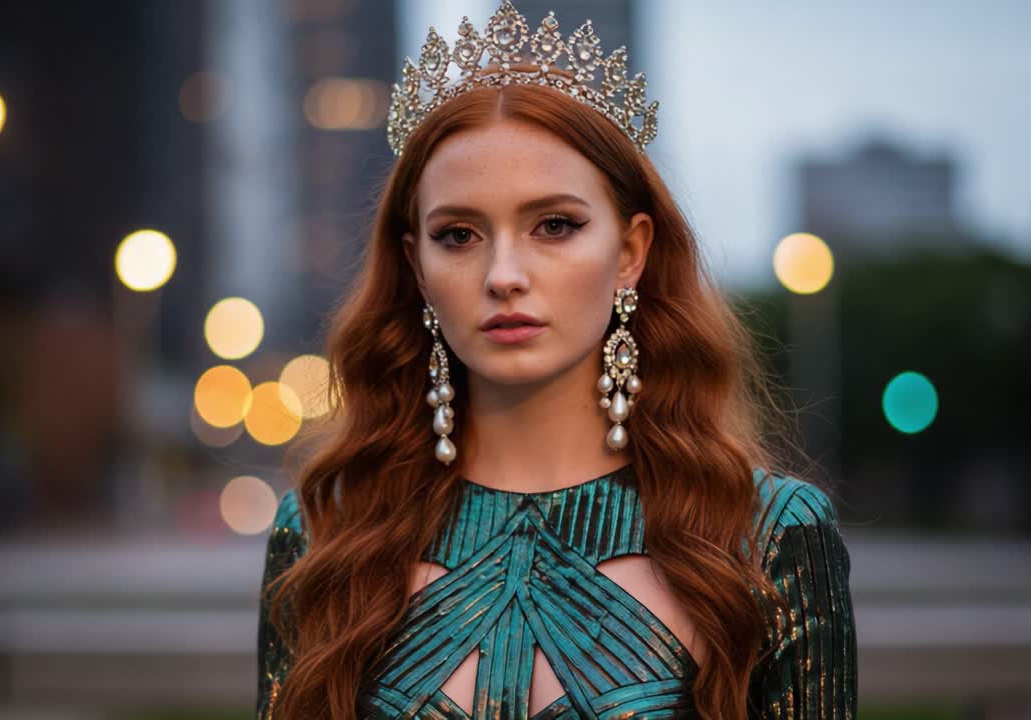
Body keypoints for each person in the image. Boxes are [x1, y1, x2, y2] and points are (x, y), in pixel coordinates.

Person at [257, 2, 857, 717]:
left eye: (554, 225)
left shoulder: (768, 535)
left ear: (630, 252)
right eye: (459, 235)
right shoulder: (324, 534)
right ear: (416, 266)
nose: (504, 275)